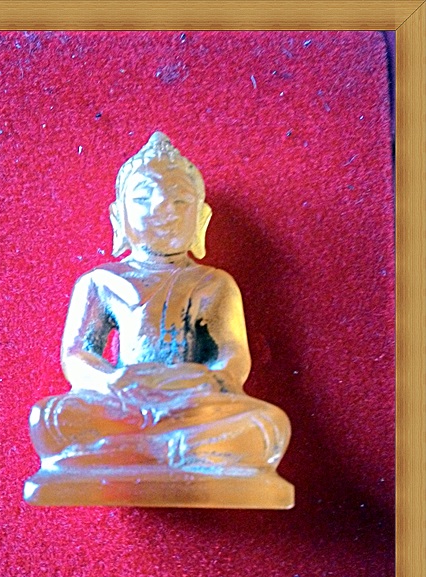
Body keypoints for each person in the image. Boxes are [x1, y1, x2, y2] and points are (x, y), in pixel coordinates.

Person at [25, 133, 293, 506]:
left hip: (191, 401)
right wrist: (111, 381)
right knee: (49, 418)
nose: (163, 209)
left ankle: (132, 451)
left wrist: (205, 380)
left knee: (267, 425)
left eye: (180, 200)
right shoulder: (101, 282)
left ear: (201, 218)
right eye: (142, 198)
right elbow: (76, 355)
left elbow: (233, 357)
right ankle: (173, 449)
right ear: (119, 216)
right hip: (122, 398)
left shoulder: (214, 283)